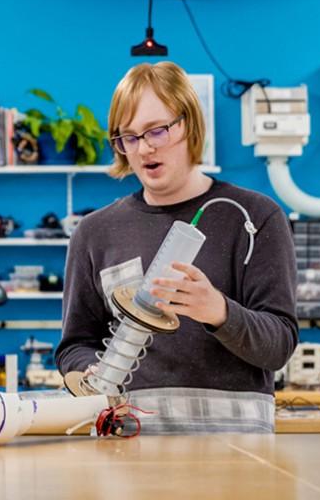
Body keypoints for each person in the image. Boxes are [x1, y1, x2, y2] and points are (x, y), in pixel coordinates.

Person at [56, 61, 298, 433]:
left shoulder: (255, 217)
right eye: (129, 137)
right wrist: (89, 372)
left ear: (188, 124)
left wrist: (217, 311)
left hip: (237, 452)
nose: (144, 149)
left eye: (157, 130)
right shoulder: (94, 232)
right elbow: (74, 345)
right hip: (129, 446)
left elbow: (279, 345)